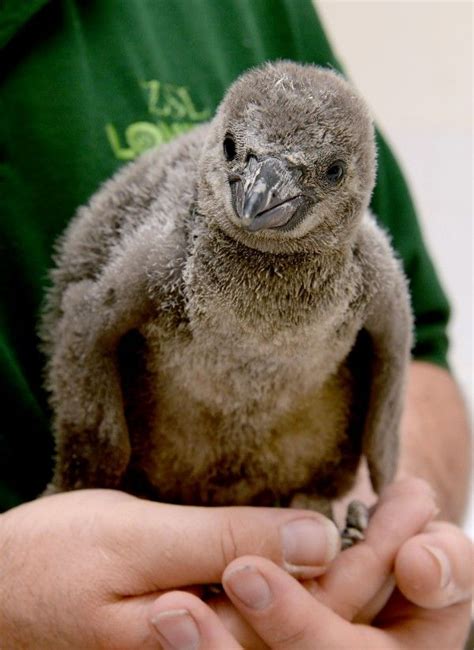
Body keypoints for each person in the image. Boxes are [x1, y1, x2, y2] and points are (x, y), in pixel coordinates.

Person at [0, 0, 471, 647]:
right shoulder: (171, 254)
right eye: (239, 157)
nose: (260, 194)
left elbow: (420, 353)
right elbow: (90, 317)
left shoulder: (365, 269)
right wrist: (80, 487)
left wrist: (381, 542)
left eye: (327, 174)